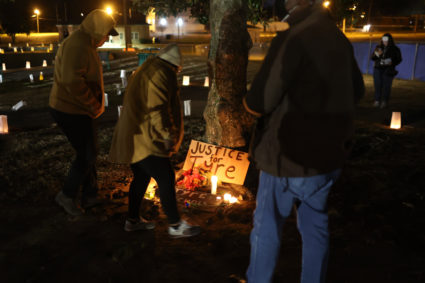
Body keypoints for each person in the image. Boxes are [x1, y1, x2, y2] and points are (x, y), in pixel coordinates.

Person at [243, 0, 365, 282]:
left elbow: (260, 101)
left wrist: (249, 103)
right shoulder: (339, 38)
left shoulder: (292, 37)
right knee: (315, 228)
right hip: (328, 156)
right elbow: (357, 91)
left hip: (286, 156)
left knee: (267, 227)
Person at [109, 44, 201, 238]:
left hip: (135, 134)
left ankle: (132, 220)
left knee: (141, 177)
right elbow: (157, 108)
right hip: (146, 136)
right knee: (166, 177)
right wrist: (167, 135)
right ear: (174, 66)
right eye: (177, 70)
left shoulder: (149, 69)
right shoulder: (161, 74)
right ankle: (175, 225)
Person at [49, 9, 119, 216]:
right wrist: (92, 104)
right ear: (97, 30)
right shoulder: (78, 45)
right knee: (87, 153)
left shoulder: (84, 43)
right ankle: (67, 195)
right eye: (106, 34)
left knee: (88, 151)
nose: (107, 40)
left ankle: (90, 195)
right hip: (71, 109)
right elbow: (72, 81)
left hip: (77, 109)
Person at [371, 33, 402, 108]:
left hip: (388, 69)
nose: (385, 42)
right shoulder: (379, 47)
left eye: (386, 40)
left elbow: (399, 59)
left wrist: (392, 62)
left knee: (386, 86)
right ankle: (377, 100)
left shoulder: (395, 49)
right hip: (378, 69)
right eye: (383, 40)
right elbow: (373, 58)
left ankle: (384, 101)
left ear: (390, 40)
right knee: (377, 85)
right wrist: (377, 54)